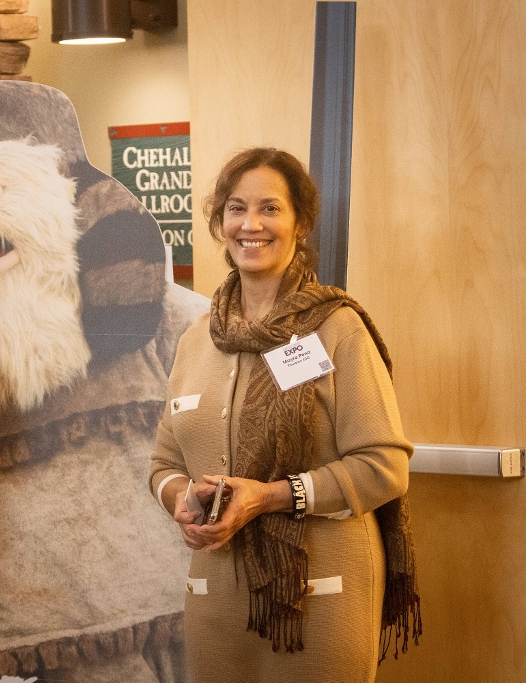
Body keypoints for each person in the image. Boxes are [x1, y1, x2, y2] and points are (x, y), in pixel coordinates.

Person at [149, 148, 421, 682]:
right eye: (235, 208)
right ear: (219, 223)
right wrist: (181, 497)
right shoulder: (195, 340)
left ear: (300, 224)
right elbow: (162, 462)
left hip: (320, 602)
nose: (251, 224)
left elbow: (385, 465)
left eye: (270, 208)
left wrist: (271, 496)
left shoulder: (338, 329)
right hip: (215, 602)